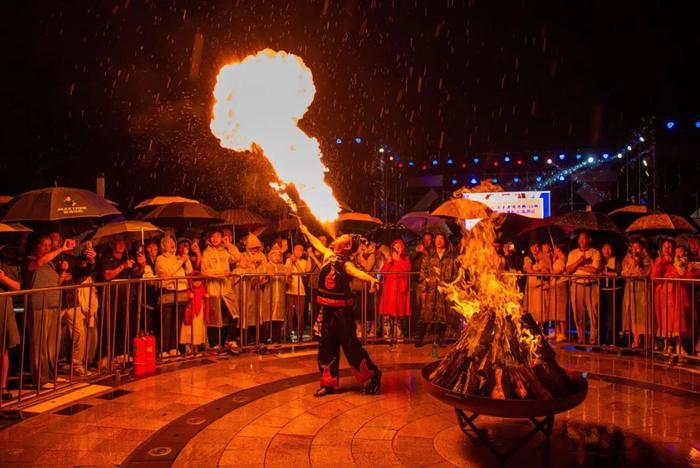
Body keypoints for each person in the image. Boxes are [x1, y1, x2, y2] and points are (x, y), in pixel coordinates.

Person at [298, 221, 382, 397]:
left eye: (340, 238)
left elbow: (358, 273)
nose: (335, 238)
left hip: (342, 314)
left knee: (351, 348)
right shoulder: (329, 254)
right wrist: (305, 229)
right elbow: (317, 244)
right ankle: (328, 383)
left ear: (345, 247)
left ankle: (373, 374)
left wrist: (372, 280)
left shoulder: (346, 264)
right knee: (326, 347)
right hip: (327, 311)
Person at [26, 235, 75, 387]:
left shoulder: (52, 264)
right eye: (44, 245)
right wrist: (61, 249)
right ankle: (41, 379)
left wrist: (62, 277)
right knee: (39, 344)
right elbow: (39, 263)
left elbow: (55, 282)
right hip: (39, 305)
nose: (48, 248)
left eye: (49, 245)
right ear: (36, 247)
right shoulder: (30, 260)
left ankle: (52, 375)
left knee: (52, 343)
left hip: (54, 304)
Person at [99, 235, 146, 367]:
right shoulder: (106, 256)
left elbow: (136, 273)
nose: (121, 245)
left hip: (125, 296)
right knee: (109, 326)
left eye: (123, 242)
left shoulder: (128, 255)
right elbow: (107, 275)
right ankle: (106, 355)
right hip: (110, 297)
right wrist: (123, 266)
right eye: (118, 242)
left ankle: (121, 353)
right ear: (112, 243)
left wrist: (142, 265)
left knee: (124, 325)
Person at [201, 228, 241, 353]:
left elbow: (237, 257)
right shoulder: (206, 253)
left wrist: (229, 244)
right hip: (213, 289)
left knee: (233, 314)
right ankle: (214, 344)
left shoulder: (225, 251)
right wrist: (219, 274)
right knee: (214, 317)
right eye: (213, 236)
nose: (215, 239)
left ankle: (231, 340)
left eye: (218, 236)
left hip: (226, 289)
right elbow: (204, 271)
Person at [651, 241, 694, 357]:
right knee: (666, 320)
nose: (667, 249)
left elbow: (686, 276)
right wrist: (662, 262)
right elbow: (654, 276)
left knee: (678, 320)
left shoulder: (680, 261)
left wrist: (688, 270)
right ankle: (667, 344)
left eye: (670, 247)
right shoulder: (659, 261)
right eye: (665, 246)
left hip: (677, 294)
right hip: (663, 295)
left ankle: (679, 346)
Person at [416, 232, 457, 348]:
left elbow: (455, 275)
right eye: (437, 239)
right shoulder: (429, 255)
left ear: (445, 241)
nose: (439, 241)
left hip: (444, 291)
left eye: (442, 239)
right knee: (426, 315)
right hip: (431, 290)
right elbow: (423, 273)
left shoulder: (450, 257)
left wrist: (451, 289)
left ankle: (439, 339)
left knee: (442, 316)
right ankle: (420, 338)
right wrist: (424, 289)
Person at [156, 235, 193, 357]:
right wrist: (180, 261)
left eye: (173, 241)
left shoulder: (179, 257)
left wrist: (186, 259)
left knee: (177, 321)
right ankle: (163, 349)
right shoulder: (160, 259)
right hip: (168, 291)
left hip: (181, 292)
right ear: (163, 245)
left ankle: (173, 346)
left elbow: (190, 271)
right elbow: (167, 272)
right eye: (168, 242)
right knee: (166, 321)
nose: (172, 244)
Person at [566, 231, 602, 344]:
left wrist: (580, 266)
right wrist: (580, 262)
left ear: (589, 240)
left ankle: (593, 339)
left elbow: (595, 269)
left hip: (591, 285)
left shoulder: (595, 253)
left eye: (584, 238)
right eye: (580, 239)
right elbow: (568, 270)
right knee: (578, 314)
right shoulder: (572, 253)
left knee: (593, 314)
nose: (582, 241)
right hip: (577, 285)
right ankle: (581, 339)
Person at [378, 239, 411, 343]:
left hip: (399, 288)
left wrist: (399, 259)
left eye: (399, 247)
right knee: (387, 313)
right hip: (389, 288)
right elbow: (382, 272)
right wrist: (388, 262)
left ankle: (399, 335)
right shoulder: (390, 258)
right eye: (395, 247)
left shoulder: (406, 258)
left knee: (398, 313)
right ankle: (387, 335)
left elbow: (407, 270)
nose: (397, 249)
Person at [621, 239, 652, 349]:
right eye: (633, 247)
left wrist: (637, 264)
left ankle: (648, 343)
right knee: (632, 314)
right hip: (630, 288)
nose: (635, 250)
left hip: (643, 290)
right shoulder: (627, 258)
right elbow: (624, 272)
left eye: (637, 247)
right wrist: (632, 271)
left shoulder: (647, 258)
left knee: (644, 316)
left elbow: (644, 273)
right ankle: (636, 341)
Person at [240, 234, 268, 343]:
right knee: (246, 313)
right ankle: (246, 339)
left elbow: (265, 269)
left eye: (256, 247)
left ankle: (258, 338)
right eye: (251, 247)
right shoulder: (243, 255)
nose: (254, 250)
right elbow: (242, 268)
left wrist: (260, 277)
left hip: (258, 289)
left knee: (258, 313)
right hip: (246, 289)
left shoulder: (262, 256)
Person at [0, 257, 21, 400]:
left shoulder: (3, 266)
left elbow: (17, 287)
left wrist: (3, 278)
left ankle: (2, 386)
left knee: (3, 349)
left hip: (2, 310)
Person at [351, 239, 376, 339]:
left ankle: (372, 329)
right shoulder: (355, 256)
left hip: (368, 286)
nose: (362, 248)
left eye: (364, 246)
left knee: (370, 309)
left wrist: (361, 256)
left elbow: (367, 267)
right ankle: (359, 329)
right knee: (357, 308)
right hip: (357, 286)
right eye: (360, 246)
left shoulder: (371, 256)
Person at [285, 243, 310, 341]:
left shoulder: (304, 261)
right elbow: (288, 272)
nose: (298, 252)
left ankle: (300, 333)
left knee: (300, 314)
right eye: (296, 250)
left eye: (301, 250)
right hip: (290, 290)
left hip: (301, 291)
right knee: (289, 314)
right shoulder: (288, 260)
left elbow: (303, 274)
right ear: (293, 251)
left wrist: (296, 263)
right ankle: (289, 333)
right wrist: (291, 262)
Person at [261, 246, 286, 344]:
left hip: (280, 296)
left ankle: (276, 339)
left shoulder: (283, 267)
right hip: (267, 296)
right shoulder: (264, 265)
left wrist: (289, 275)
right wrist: (266, 275)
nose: (277, 257)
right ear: (270, 256)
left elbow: (288, 281)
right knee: (266, 318)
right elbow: (257, 281)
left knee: (278, 317)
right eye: (274, 254)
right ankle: (264, 340)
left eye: (279, 255)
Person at [523, 242, 550, 328]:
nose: (535, 249)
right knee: (532, 307)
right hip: (532, 284)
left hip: (541, 285)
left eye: (537, 246)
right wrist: (539, 272)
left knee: (541, 306)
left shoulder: (543, 258)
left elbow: (547, 269)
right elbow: (529, 270)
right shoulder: (528, 258)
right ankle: (533, 327)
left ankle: (541, 327)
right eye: (533, 246)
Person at [599, 243, 623, 345]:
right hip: (603, 291)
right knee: (602, 316)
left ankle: (613, 340)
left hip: (614, 291)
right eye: (604, 248)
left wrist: (606, 273)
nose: (606, 251)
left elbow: (619, 274)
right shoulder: (600, 261)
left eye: (609, 248)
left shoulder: (617, 260)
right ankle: (602, 340)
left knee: (613, 317)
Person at [180, 271, 209, 353]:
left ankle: (195, 347)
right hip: (190, 314)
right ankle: (188, 348)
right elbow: (185, 298)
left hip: (199, 314)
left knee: (197, 329)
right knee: (189, 330)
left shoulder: (202, 289)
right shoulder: (189, 290)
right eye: (195, 280)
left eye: (199, 280)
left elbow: (205, 299)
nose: (197, 283)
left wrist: (206, 298)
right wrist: (189, 297)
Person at [548, 244, 568, 342]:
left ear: (558, 249)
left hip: (560, 285)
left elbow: (555, 274)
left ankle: (563, 333)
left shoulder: (562, 259)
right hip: (554, 285)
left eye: (555, 248)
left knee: (560, 309)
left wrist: (549, 264)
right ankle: (557, 331)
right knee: (554, 309)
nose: (553, 249)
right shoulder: (557, 259)